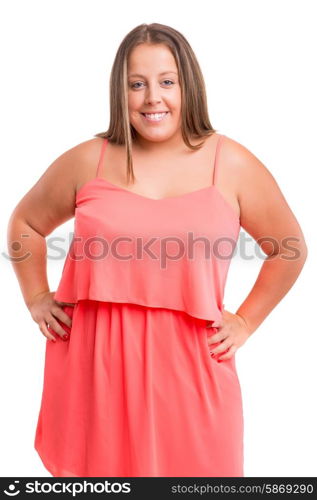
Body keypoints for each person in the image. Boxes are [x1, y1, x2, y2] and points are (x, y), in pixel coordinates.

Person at [7, 23, 307, 478]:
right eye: (137, 84)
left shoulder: (232, 163)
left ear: (189, 86)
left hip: (192, 378)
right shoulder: (89, 160)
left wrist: (245, 321)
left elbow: (289, 249)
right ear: (119, 91)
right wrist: (35, 297)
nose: (153, 98)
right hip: (96, 378)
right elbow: (25, 224)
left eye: (167, 81)